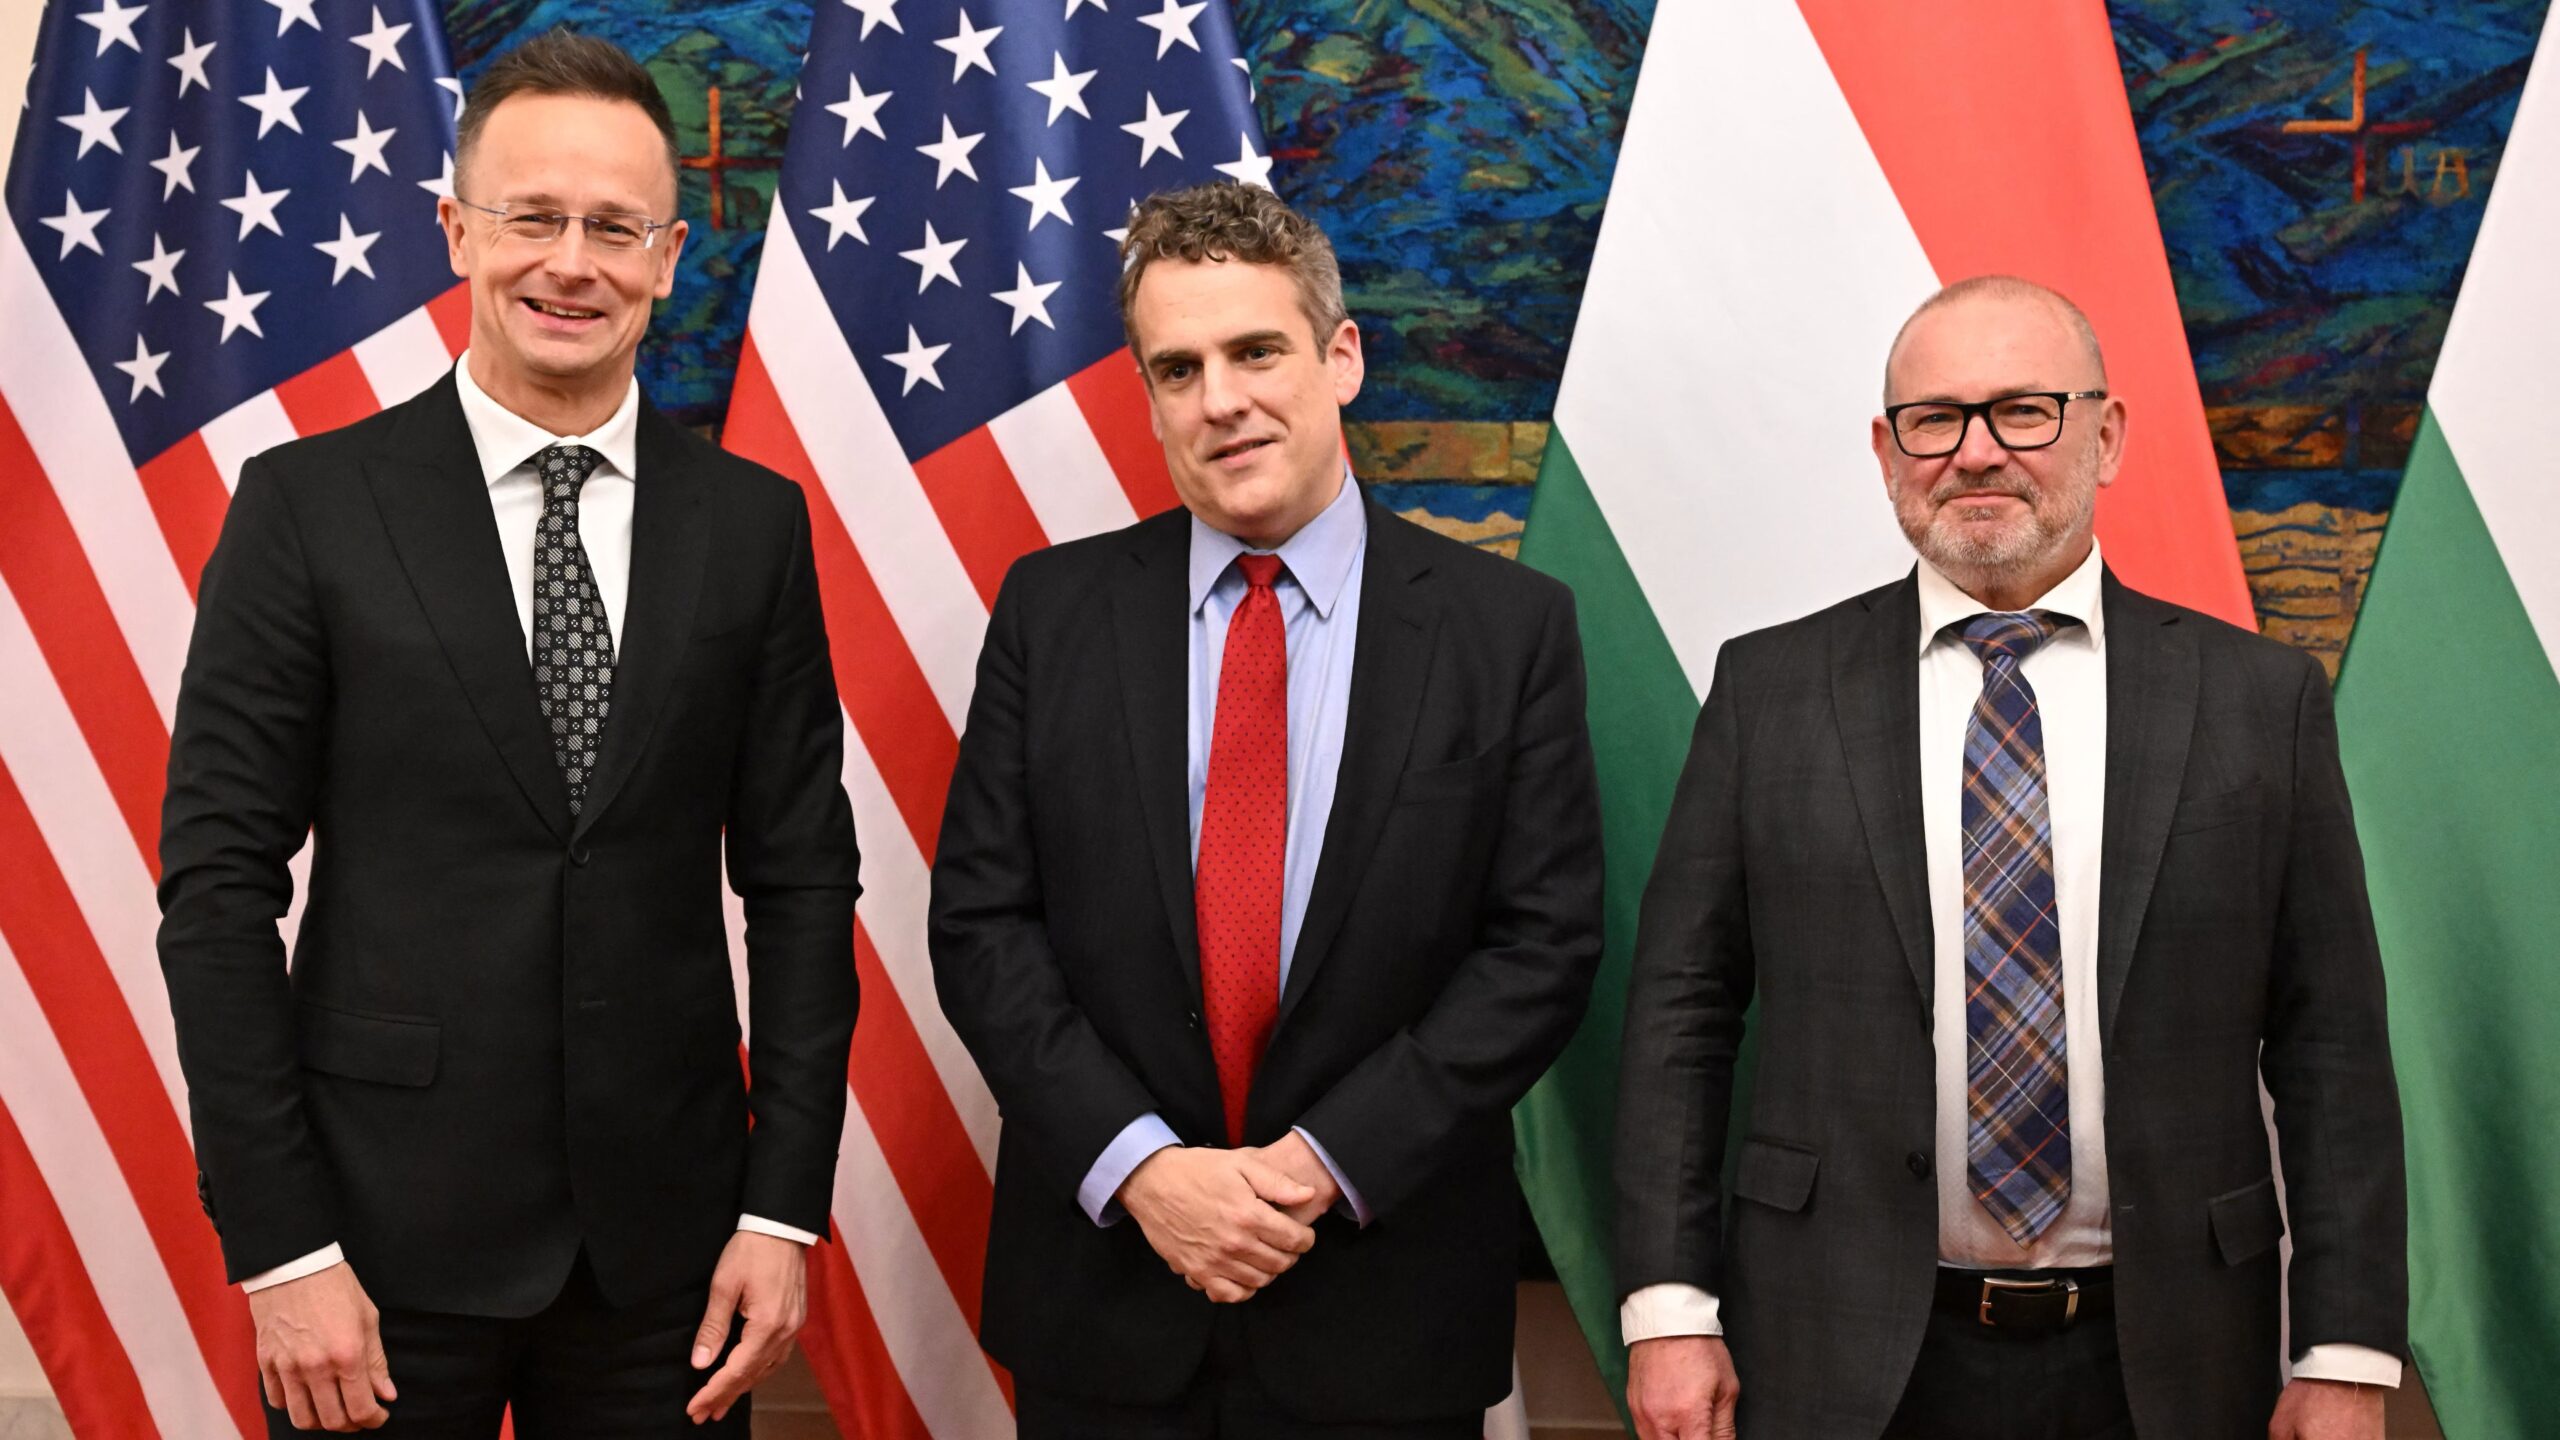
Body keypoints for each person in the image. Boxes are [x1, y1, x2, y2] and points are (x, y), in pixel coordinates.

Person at [156, 30, 858, 1437]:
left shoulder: (755, 529)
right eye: (534, 217)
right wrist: (284, 1249)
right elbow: (218, 892)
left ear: (668, 256)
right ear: (458, 230)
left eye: (615, 227)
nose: (571, 262)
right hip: (371, 1246)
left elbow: (799, 887)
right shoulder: (306, 508)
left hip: (667, 1255)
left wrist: (783, 1211)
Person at [1612, 276, 2406, 1440]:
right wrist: (1670, 1309)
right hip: (1837, 1345)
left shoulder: (2257, 702)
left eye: (2024, 411)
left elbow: (2329, 1043)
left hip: (2170, 1357)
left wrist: (2343, 1350)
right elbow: (1681, 1014)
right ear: (1887, 454)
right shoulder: (1769, 693)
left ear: (2107, 433)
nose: (1977, 454)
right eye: (1936, 420)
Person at [928, 181, 1604, 1438]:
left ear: (1340, 357)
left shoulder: (1503, 630)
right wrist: (1144, 1169)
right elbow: (981, 925)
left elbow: (1540, 946)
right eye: (1176, 368)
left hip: (1384, 1304)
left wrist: (1313, 1169)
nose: (1220, 400)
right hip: (1108, 1312)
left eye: (1255, 351)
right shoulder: (1051, 614)